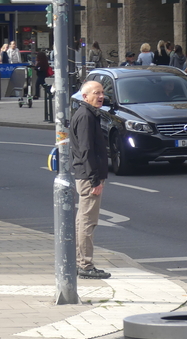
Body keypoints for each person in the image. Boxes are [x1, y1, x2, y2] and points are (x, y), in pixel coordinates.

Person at [70, 81, 111, 280]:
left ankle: (81, 262)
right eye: (96, 93)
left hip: (87, 176)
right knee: (87, 222)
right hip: (88, 178)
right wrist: (95, 180)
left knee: (83, 221)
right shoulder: (86, 116)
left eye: (102, 92)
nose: (101, 96)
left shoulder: (87, 113)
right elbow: (86, 150)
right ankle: (85, 265)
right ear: (85, 96)